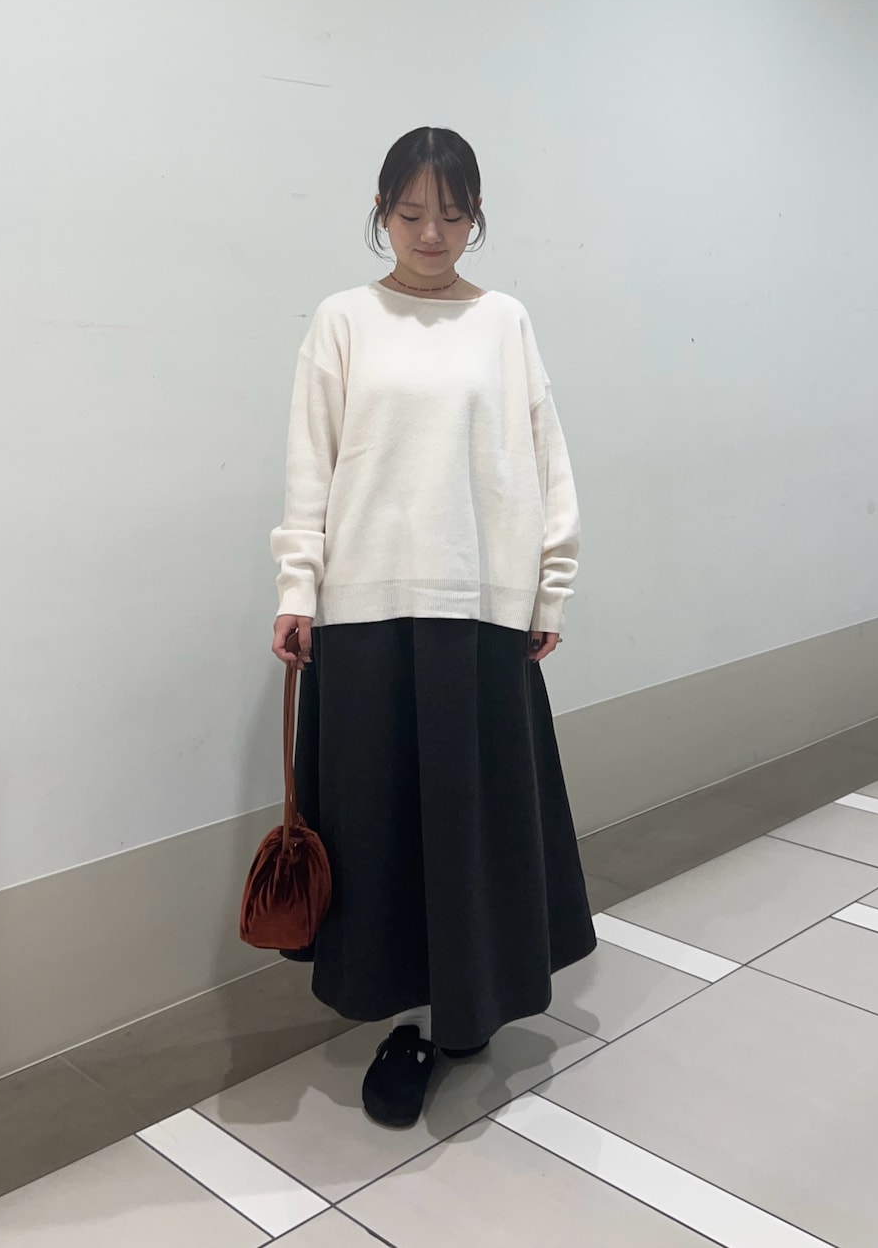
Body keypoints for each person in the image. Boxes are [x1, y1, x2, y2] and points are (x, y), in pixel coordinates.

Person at [269, 126, 596, 1129]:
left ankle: (471, 1006)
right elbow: (312, 461)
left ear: (476, 219)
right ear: (380, 213)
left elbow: (544, 457)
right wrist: (296, 586)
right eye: (411, 213)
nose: (431, 233)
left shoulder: (504, 322)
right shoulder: (343, 319)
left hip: (477, 608)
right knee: (380, 822)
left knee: (473, 816)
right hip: (364, 611)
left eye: (452, 215)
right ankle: (408, 1018)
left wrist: (548, 588)